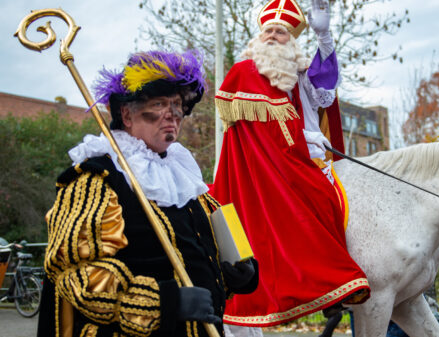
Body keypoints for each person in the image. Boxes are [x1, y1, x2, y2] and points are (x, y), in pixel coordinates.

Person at [36, 50, 258, 337]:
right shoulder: (96, 178)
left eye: (177, 105)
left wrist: (238, 271)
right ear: (126, 114)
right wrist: (166, 303)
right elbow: (77, 276)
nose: (172, 115)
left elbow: (214, 243)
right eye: (159, 103)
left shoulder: (186, 178)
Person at [211, 0, 369, 327]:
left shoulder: (300, 73)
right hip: (271, 163)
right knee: (321, 198)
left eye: (281, 32)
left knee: (336, 195)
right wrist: (301, 139)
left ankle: (333, 286)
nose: (272, 36)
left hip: (312, 154)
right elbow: (254, 133)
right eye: (267, 30)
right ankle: (332, 281)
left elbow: (325, 87)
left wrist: (324, 36)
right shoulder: (246, 72)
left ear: (293, 40)